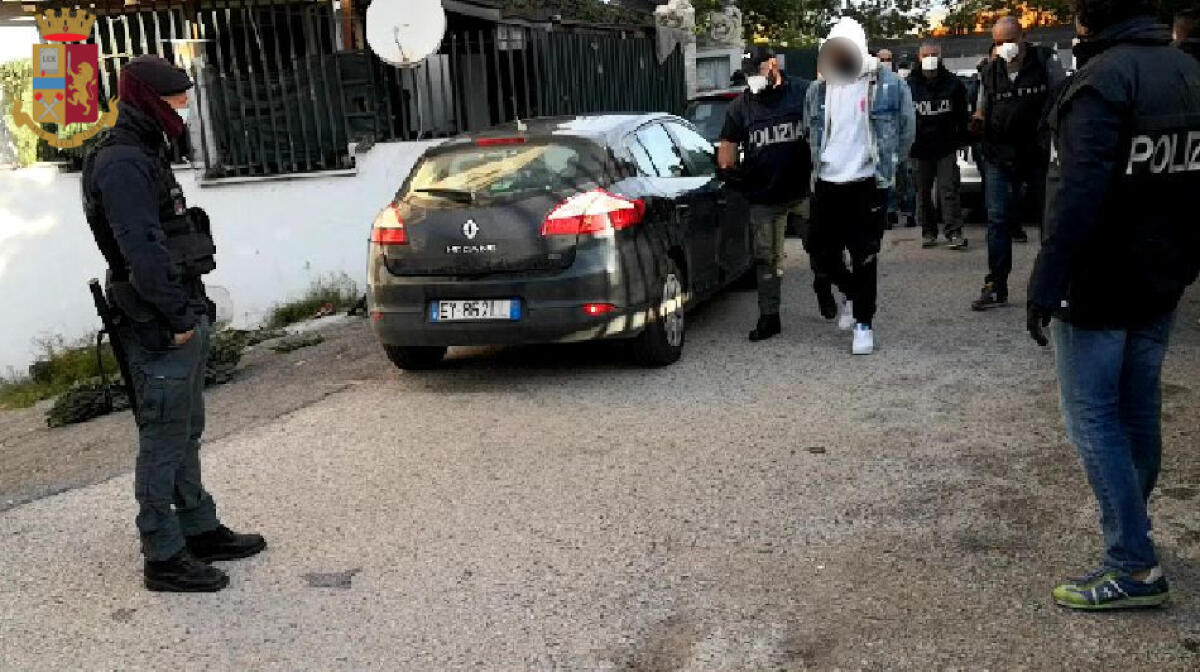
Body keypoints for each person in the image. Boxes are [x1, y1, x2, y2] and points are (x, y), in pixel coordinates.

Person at [1027, 0, 1200, 610]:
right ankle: (1135, 529)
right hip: (1161, 277)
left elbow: (1077, 195)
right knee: (1137, 409)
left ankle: (1132, 562)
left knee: (1093, 419)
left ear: (1087, 20)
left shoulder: (1099, 82)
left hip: (1098, 283)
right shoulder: (1187, 71)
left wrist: (1046, 282)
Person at [81, 55, 266, 593]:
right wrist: (180, 316)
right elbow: (141, 250)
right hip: (159, 320)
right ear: (145, 98)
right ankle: (163, 555)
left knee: (185, 429)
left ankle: (198, 528)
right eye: (174, 98)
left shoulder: (144, 152)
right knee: (163, 437)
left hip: (178, 308)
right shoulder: (121, 162)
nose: (183, 106)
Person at [804, 17, 915, 356]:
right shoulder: (818, 89)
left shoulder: (889, 84)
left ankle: (864, 323)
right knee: (819, 251)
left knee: (864, 254)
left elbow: (907, 130)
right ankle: (851, 293)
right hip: (826, 181)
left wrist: (888, 166)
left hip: (867, 182)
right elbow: (811, 130)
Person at [971, 17, 1066, 311]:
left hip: (1036, 154)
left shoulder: (1045, 62)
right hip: (999, 155)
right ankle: (996, 284)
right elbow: (981, 110)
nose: (1004, 47)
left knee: (1048, 220)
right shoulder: (990, 70)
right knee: (998, 220)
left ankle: (1055, 285)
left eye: (1009, 40)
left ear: (1023, 36)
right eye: (998, 42)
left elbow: (1062, 101)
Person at [718, 46, 813, 342]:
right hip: (764, 193)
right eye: (747, 75)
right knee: (765, 258)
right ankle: (769, 316)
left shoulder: (803, 92)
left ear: (772, 65)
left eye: (756, 72)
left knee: (821, 248)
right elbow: (727, 150)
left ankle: (828, 287)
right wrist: (728, 169)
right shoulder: (740, 107)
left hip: (803, 189)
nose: (753, 80)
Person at [907, 42, 970, 250]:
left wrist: (962, 139)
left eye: (934, 54)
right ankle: (928, 232)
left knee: (949, 189)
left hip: (946, 145)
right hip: (919, 147)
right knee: (923, 192)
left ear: (941, 56)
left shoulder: (953, 84)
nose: (930, 57)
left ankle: (954, 232)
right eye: (926, 54)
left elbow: (962, 114)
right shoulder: (909, 85)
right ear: (919, 57)